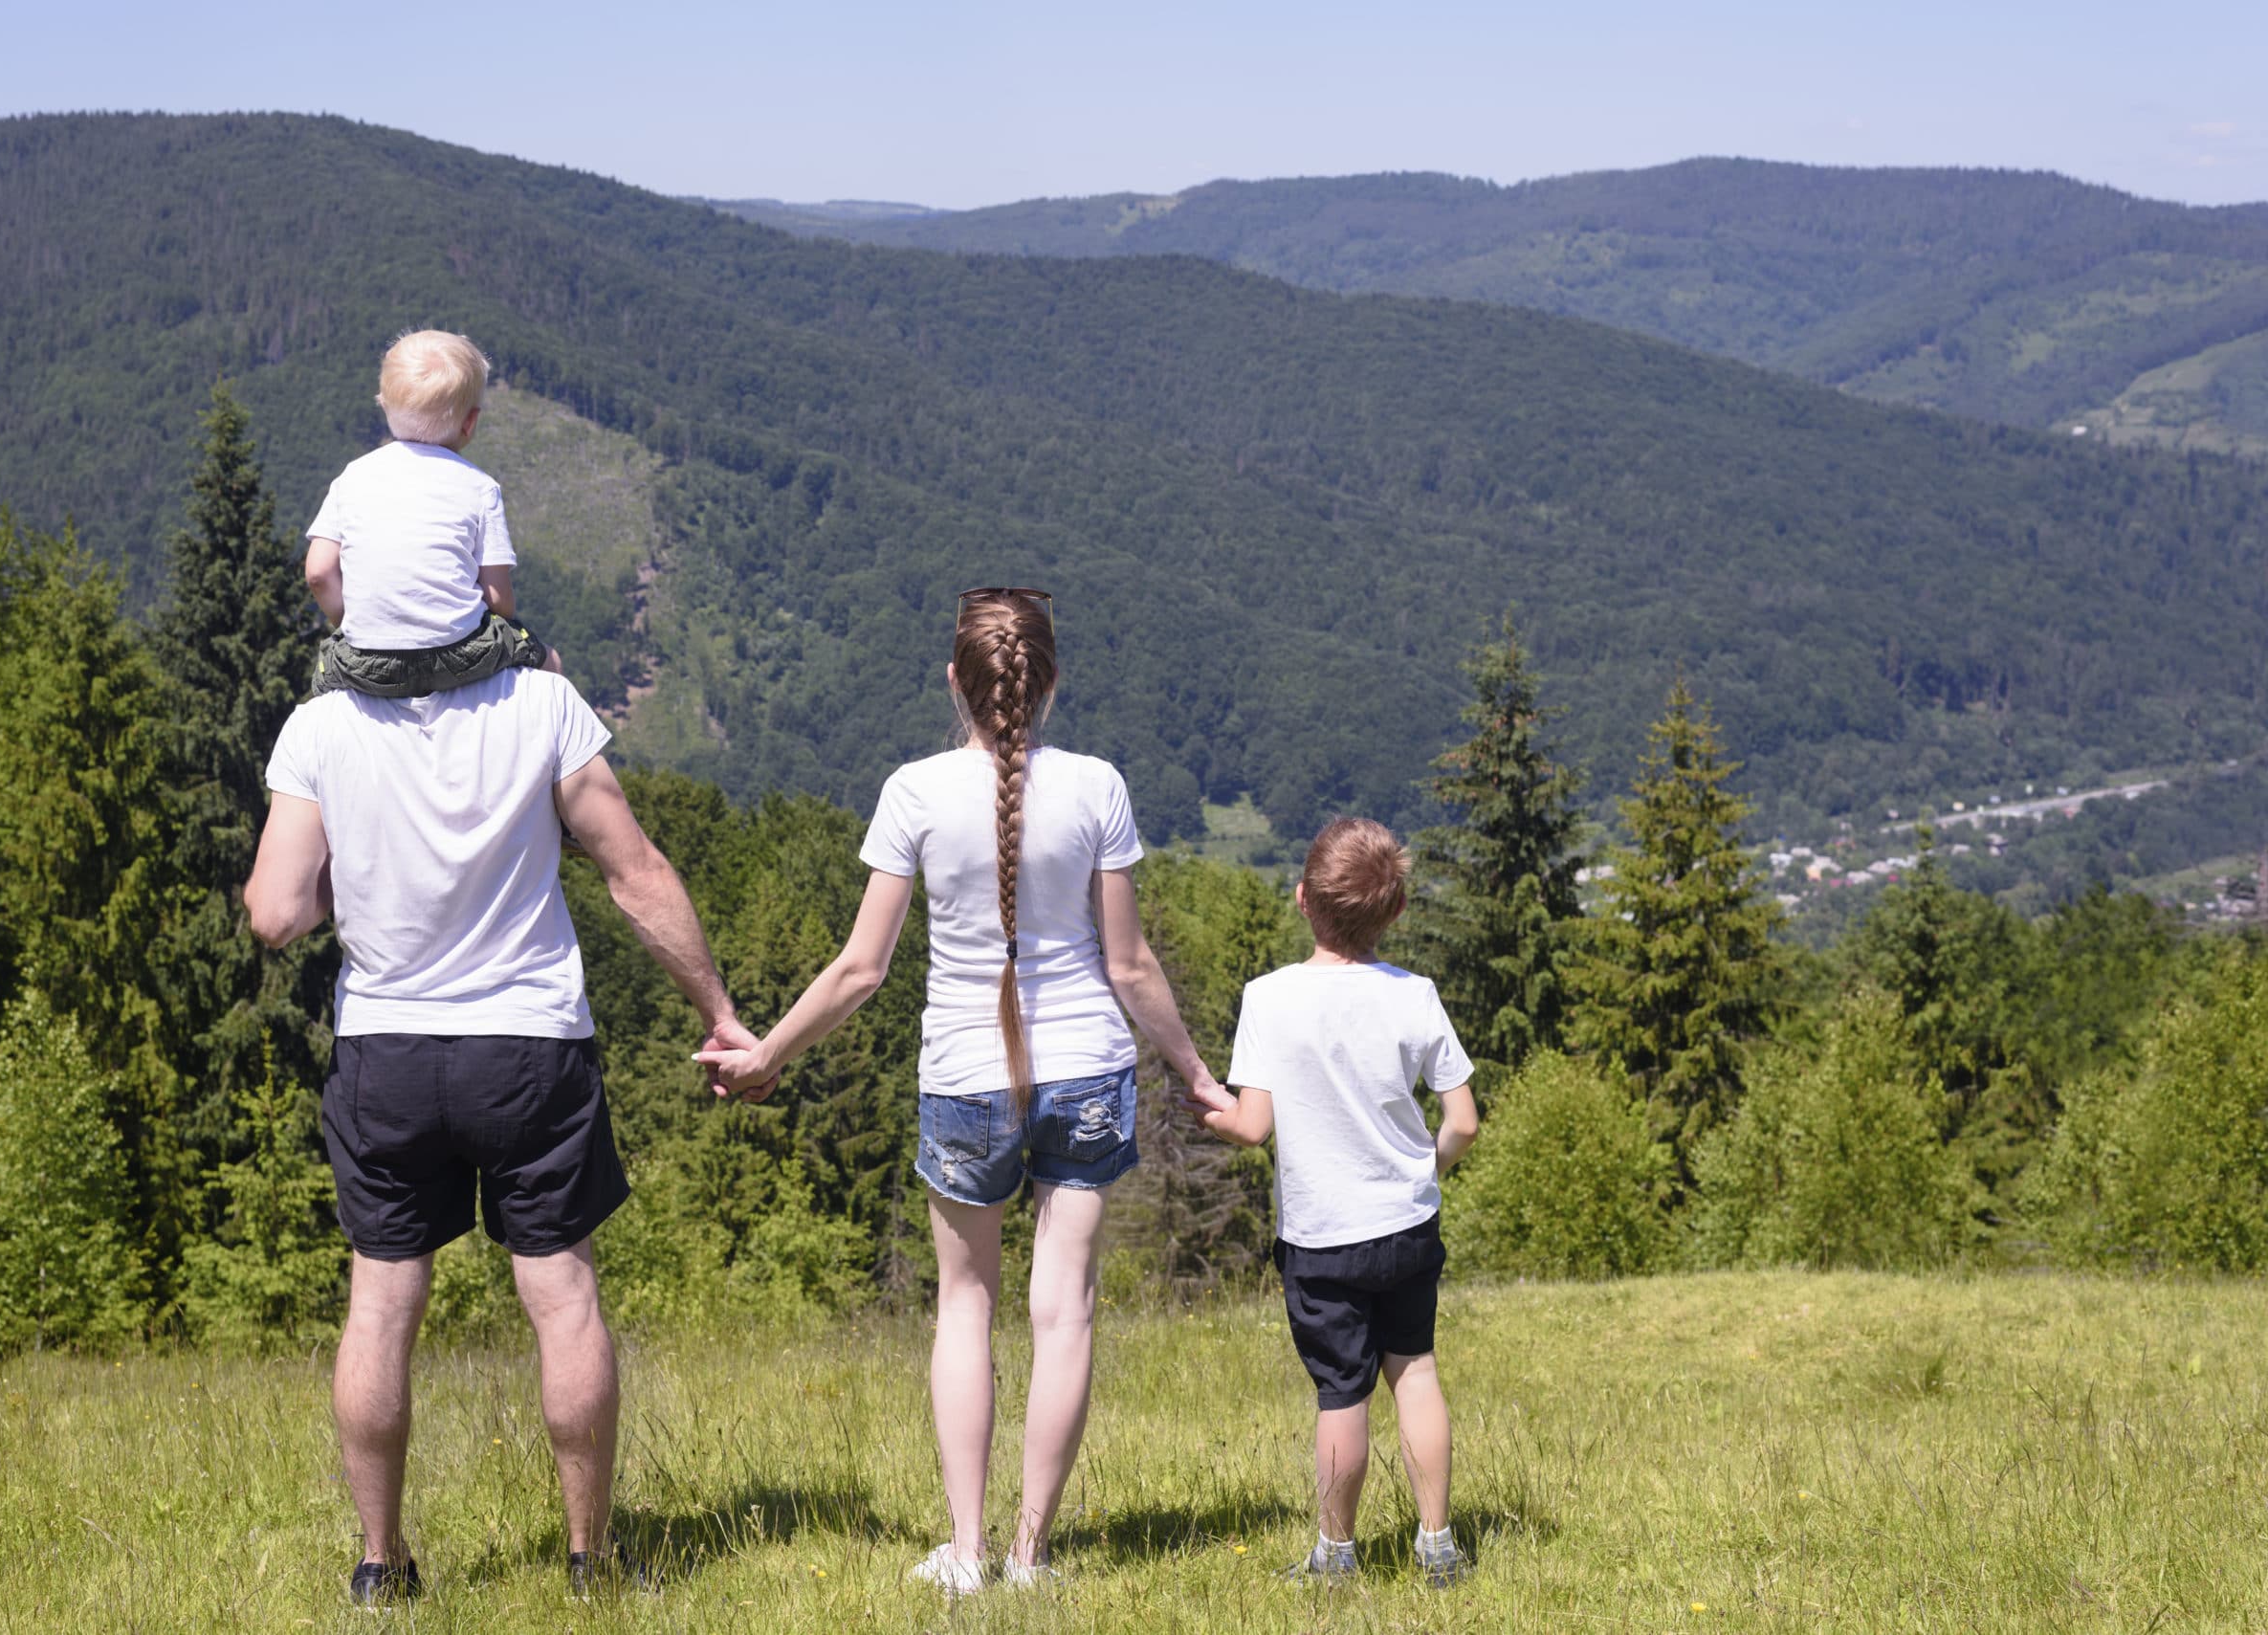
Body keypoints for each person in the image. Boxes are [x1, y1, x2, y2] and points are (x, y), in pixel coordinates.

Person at [696, 587, 1223, 1593]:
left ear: (954, 681)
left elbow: (861, 968)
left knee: (964, 1305)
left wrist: (768, 1054)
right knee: (1062, 1307)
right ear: (1052, 679)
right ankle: (1033, 1554)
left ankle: (969, 1549)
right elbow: (1130, 965)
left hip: (964, 1079)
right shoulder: (1100, 788)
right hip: (1090, 1072)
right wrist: (1195, 1070)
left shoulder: (913, 792)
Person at [243, 661, 761, 1606]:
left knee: (379, 1306)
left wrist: (336, 891)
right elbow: (634, 869)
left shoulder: (318, 724)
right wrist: (719, 1012)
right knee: (563, 1297)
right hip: (529, 1046)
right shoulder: (545, 703)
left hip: (385, 1052)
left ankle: (378, 1562)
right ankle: (588, 1561)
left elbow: (277, 913)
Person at [1192, 816, 1482, 1589]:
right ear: (1396, 913)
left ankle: (1336, 1555)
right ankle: (1438, 1544)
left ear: (1301, 899)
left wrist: (1206, 1108)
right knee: (1414, 1371)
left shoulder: (1269, 998)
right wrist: (1429, 1170)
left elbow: (1252, 1126)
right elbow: (1463, 1120)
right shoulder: (1415, 995)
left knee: (1341, 1392)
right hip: (1407, 1223)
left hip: (1322, 1237)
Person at [301, 328, 564, 697]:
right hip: (459, 656)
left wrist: (352, 622)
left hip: (365, 661)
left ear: (382, 402)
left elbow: (318, 573)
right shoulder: (479, 486)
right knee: (550, 662)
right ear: (470, 422)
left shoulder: (352, 477)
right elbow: (498, 598)